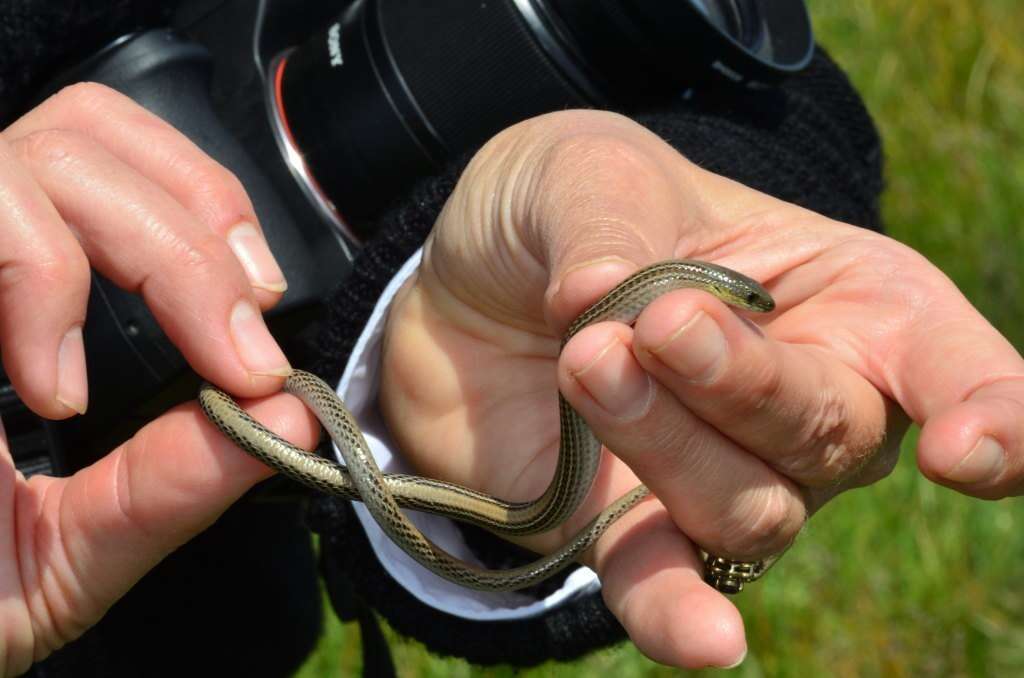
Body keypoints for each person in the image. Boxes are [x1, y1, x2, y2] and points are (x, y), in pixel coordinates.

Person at [1, 14, 1022, 678]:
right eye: (730, 290)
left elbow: (762, 74)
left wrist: (640, 184)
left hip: (177, 621)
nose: (739, 302)